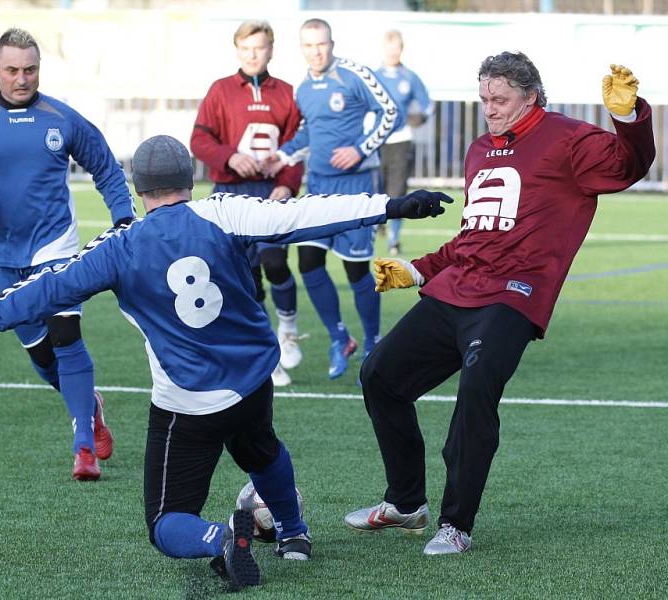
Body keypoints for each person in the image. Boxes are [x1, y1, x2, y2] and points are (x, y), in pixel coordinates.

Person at [0, 135, 452, 589]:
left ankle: (222, 538)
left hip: (187, 401)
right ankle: (293, 533)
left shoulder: (120, 246)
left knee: (165, 525)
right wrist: (392, 205)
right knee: (261, 448)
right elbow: (306, 214)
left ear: (139, 190)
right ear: (190, 179)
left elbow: (41, 291)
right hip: (254, 380)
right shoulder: (226, 212)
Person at [344, 56, 655, 555]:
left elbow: (628, 166)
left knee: (476, 391)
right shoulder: (480, 149)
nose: (488, 108)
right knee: (379, 376)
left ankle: (456, 524)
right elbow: (473, 237)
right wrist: (420, 269)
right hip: (459, 288)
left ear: (529, 96)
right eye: (484, 98)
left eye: (500, 99)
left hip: (514, 295)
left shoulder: (568, 138)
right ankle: (406, 503)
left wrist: (628, 117)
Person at [0, 27, 136, 481]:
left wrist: (123, 219)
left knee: (65, 336)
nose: (22, 78)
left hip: (55, 247)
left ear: (40, 68)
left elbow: (107, 168)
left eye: (31, 69)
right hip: (0, 254)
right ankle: (90, 409)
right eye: (13, 70)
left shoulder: (61, 117)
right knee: (41, 358)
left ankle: (83, 450)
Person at [266, 18, 397, 381]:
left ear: (332, 43)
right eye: (308, 46)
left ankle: (373, 345)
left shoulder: (354, 74)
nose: (316, 51)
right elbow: (308, 132)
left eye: (321, 44)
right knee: (309, 262)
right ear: (302, 48)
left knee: (357, 269)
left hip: (356, 187)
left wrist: (359, 149)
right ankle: (341, 339)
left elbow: (391, 113)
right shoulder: (304, 88)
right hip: (319, 187)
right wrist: (283, 155)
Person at [190, 20, 305, 387]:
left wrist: (287, 185)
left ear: (271, 49)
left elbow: (297, 149)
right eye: (245, 48)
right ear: (237, 50)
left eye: (259, 47)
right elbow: (199, 139)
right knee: (239, 278)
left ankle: (287, 326)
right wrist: (228, 157)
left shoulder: (287, 93)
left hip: (269, 194)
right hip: (229, 194)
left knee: (274, 261)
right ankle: (262, 352)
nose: (252, 55)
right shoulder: (221, 90)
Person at [375, 29, 433, 257]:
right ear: (384, 48)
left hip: (401, 140)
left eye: (397, 47)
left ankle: (393, 239)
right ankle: (373, 226)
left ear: (401, 48)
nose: (393, 51)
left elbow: (427, 104)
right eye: (389, 46)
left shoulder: (409, 77)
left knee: (397, 192)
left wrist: (422, 117)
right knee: (374, 189)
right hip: (376, 142)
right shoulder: (373, 75)